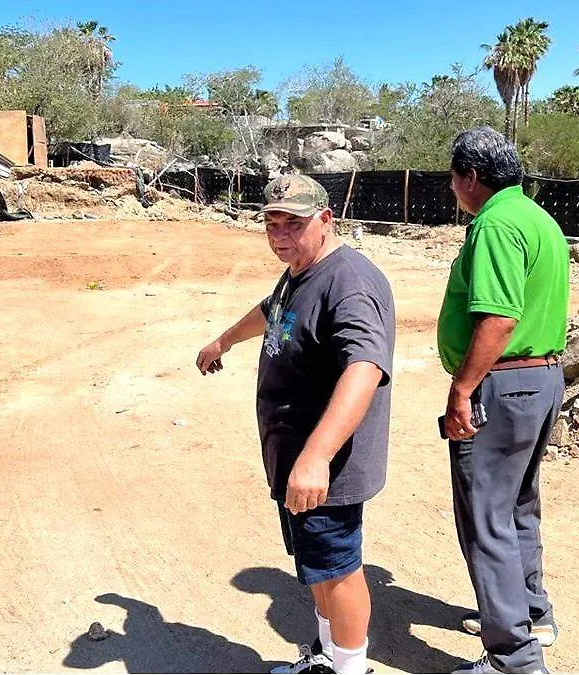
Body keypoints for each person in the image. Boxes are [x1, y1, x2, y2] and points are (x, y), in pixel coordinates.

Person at [196, 174, 395, 675]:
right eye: (272, 223)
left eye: (295, 224)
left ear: (326, 220)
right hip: (294, 457)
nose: (281, 235)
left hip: (325, 464)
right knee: (316, 565)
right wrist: (223, 342)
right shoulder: (299, 273)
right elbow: (273, 312)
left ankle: (351, 668)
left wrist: (316, 456)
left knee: (339, 566)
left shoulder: (348, 281)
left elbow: (365, 367)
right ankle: (327, 657)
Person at [436, 128, 569, 675]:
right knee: (517, 507)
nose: (451, 188)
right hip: (541, 381)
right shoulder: (538, 219)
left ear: (470, 176)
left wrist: (462, 389)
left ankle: (512, 657)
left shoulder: (493, 224)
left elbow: (498, 318)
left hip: (502, 384)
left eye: (453, 177)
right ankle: (531, 612)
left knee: (486, 517)